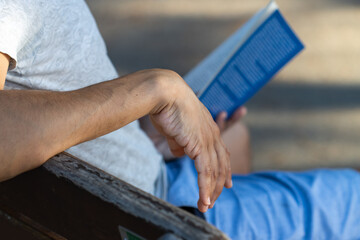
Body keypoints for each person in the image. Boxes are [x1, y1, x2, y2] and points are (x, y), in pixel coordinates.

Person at [1, 1, 360, 239]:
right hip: (154, 213)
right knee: (353, 198)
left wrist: (144, 133)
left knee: (234, 140)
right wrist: (157, 89)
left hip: (136, 180)